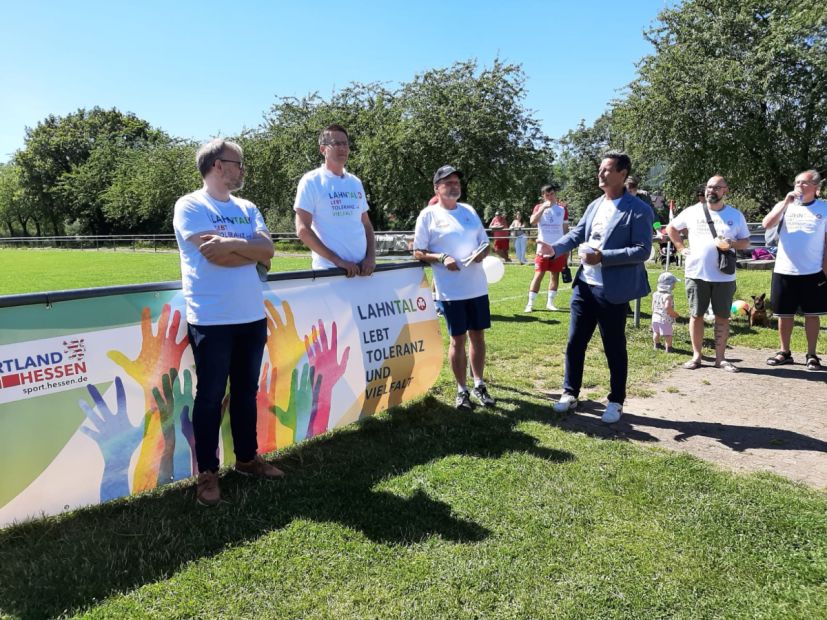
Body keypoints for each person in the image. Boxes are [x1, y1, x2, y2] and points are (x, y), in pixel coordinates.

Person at [173, 139, 283, 506]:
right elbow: (214, 255)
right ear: (218, 165)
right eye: (238, 164)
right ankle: (207, 473)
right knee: (209, 396)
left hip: (251, 316)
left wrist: (235, 246)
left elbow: (267, 251)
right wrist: (247, 248)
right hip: (211, 318)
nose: (242, 170)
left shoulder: (248, 207)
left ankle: (247, 460)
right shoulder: (190, 205)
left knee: (246, 393)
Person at [547, 152, 653, 423]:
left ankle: (616, 401)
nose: (601, 174)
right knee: (575, 342)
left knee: (613, 346)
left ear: (622, 174)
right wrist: (554, 248)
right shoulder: (595, 204)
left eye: (607, 170)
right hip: (585, 285)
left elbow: (642, 251)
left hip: (613, 290)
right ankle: (570, 393)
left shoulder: (638, 209)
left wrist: (603, 256)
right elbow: (578, 234)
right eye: (600, 169)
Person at [413, 165, 496, 410]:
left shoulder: (468, 210)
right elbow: (418, 252)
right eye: (447, 182)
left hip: (477, 287)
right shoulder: (428, 215)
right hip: (451, 291)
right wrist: (441, 258)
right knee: (457, 339)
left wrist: (483, 252)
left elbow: (485, 242)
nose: (454, 186)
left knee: (478, 337)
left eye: (456, 182)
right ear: (436, 188)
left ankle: (479, 383)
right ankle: (462, 390)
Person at [665, 175, 751, 372]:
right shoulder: (692, 211)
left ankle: (720, 358)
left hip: (724, 275)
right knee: (697, 315)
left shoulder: (736, 215)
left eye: (717, 187)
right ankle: (697, 356)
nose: (711, 190)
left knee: (722, 317)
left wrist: (731, 244)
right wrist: (680, 247)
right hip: (696, 273)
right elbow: (671, 228)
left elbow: (746, 241)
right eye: (709, 187)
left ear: (725, 191)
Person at [761, 169, 827, 371]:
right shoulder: (785, 206)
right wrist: (784, 203)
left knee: (812, 314)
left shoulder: (824, 208)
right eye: (797, 182)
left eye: (804, 183)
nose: (799, 186)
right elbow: (766, 224)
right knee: (784, 314)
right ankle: (784, 352)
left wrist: (825, 268)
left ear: (815, 187)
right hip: (784, 270)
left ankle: (812, 354)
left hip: (813, 271)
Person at [294, 124, 376, 277]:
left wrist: (371, 257)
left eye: (345, 143)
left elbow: (366, 225)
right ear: (323, 149)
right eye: (336, 144)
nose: (343, 148)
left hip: (361, 273)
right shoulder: (311, 181)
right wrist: (337, 261)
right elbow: (302, 230)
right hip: (330, 272)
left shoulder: (355, 182)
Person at [524, 184, 570, 312]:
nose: (549, 197)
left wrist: (566, 247)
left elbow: (565, 229)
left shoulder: (562, 209)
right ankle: (530, 304)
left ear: (555, 194)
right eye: (546, 195)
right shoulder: (539, 207)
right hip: (542, 249)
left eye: (551, 194)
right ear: (543, 196)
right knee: (538, 275)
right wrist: (543, 208)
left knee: (555, 275)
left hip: (557, 248)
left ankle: (550, 303)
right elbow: (532, 221)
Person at [651, 272, 681, 352]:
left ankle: (656, 345)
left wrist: (653, 313)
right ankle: (669, 348)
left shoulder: (655, 294)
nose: (675, 285)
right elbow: (667, 307)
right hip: (664, 319)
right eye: (674, 283)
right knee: (668, 334)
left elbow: (653, 305)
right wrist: (673, 313)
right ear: (670, 285)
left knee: (656, 332)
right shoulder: (667, 296)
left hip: (655, 317)